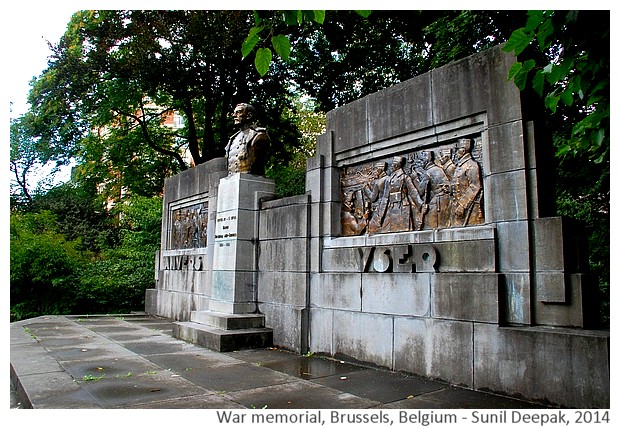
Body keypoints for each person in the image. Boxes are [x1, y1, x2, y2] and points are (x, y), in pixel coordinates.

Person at [376, 156, 427, 232]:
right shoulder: (389, 179)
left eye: (392, 164)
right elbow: (385, 198)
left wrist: (421, 204)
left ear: (396, 166)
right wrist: (380, 215)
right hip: (392, 208)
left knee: (404, 229)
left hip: (403, 207)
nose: (391, 166)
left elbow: (413, 192)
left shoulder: (405, 178)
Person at [225, 103, 270, 176]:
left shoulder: (259, 135)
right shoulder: (233, 139)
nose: (234, 115)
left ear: (249, 115)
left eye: (238, 112)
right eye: (234, 113)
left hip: (250, 178)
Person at [450, 138, 484, 226]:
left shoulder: (471, 165)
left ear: (463, 150)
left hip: (467, 208)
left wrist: (462, 205)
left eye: (457, 150)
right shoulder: (460, 165)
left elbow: (475, 186)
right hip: (456, 206)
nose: (456, 152)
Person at [363, 161, 389, 234]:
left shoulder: (379, 181)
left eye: (375, 170)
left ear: (379, 170)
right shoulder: (389, 178)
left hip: (380, 209)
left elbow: (372, 198)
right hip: (389, 208)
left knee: (371, 227)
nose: (374, 172)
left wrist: (365, 188)